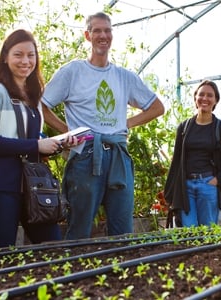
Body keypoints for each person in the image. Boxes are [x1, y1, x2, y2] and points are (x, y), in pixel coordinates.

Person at [42, 12, 165, 240]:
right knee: (80, 226)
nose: (103, 35)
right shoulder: (73, 72)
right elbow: (42, 105)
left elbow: (157, 107)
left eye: (107, 30)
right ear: (87, 36)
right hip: (86, 155)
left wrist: (126, 123)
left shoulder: (123, 76)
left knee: (122, 227)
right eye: (97, 30)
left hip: (118, 155)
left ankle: (123, 273)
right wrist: (66, 132)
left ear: (112, 35)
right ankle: (76, 273)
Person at [0, 29, 68, 247]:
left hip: (34, 188)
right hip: (4, 187)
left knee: (53, 249)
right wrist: (37, 144)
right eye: (18, 54)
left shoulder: (34, 95)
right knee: (4, 256)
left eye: (31, 55)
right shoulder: (0, 92)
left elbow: (33, 139)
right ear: (6, 57)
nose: (25, 61)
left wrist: (58, 144)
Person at [164, 80, 221, 227]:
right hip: (186, 188)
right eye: (201, 94)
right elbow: (176, 162)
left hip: (209, 185)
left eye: (210, 95)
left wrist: (217, 180)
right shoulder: (184, 128)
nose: (205, 98)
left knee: (208, 233)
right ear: (195, 98)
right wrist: (171, 192)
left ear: (216, 100)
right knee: (188, 231)